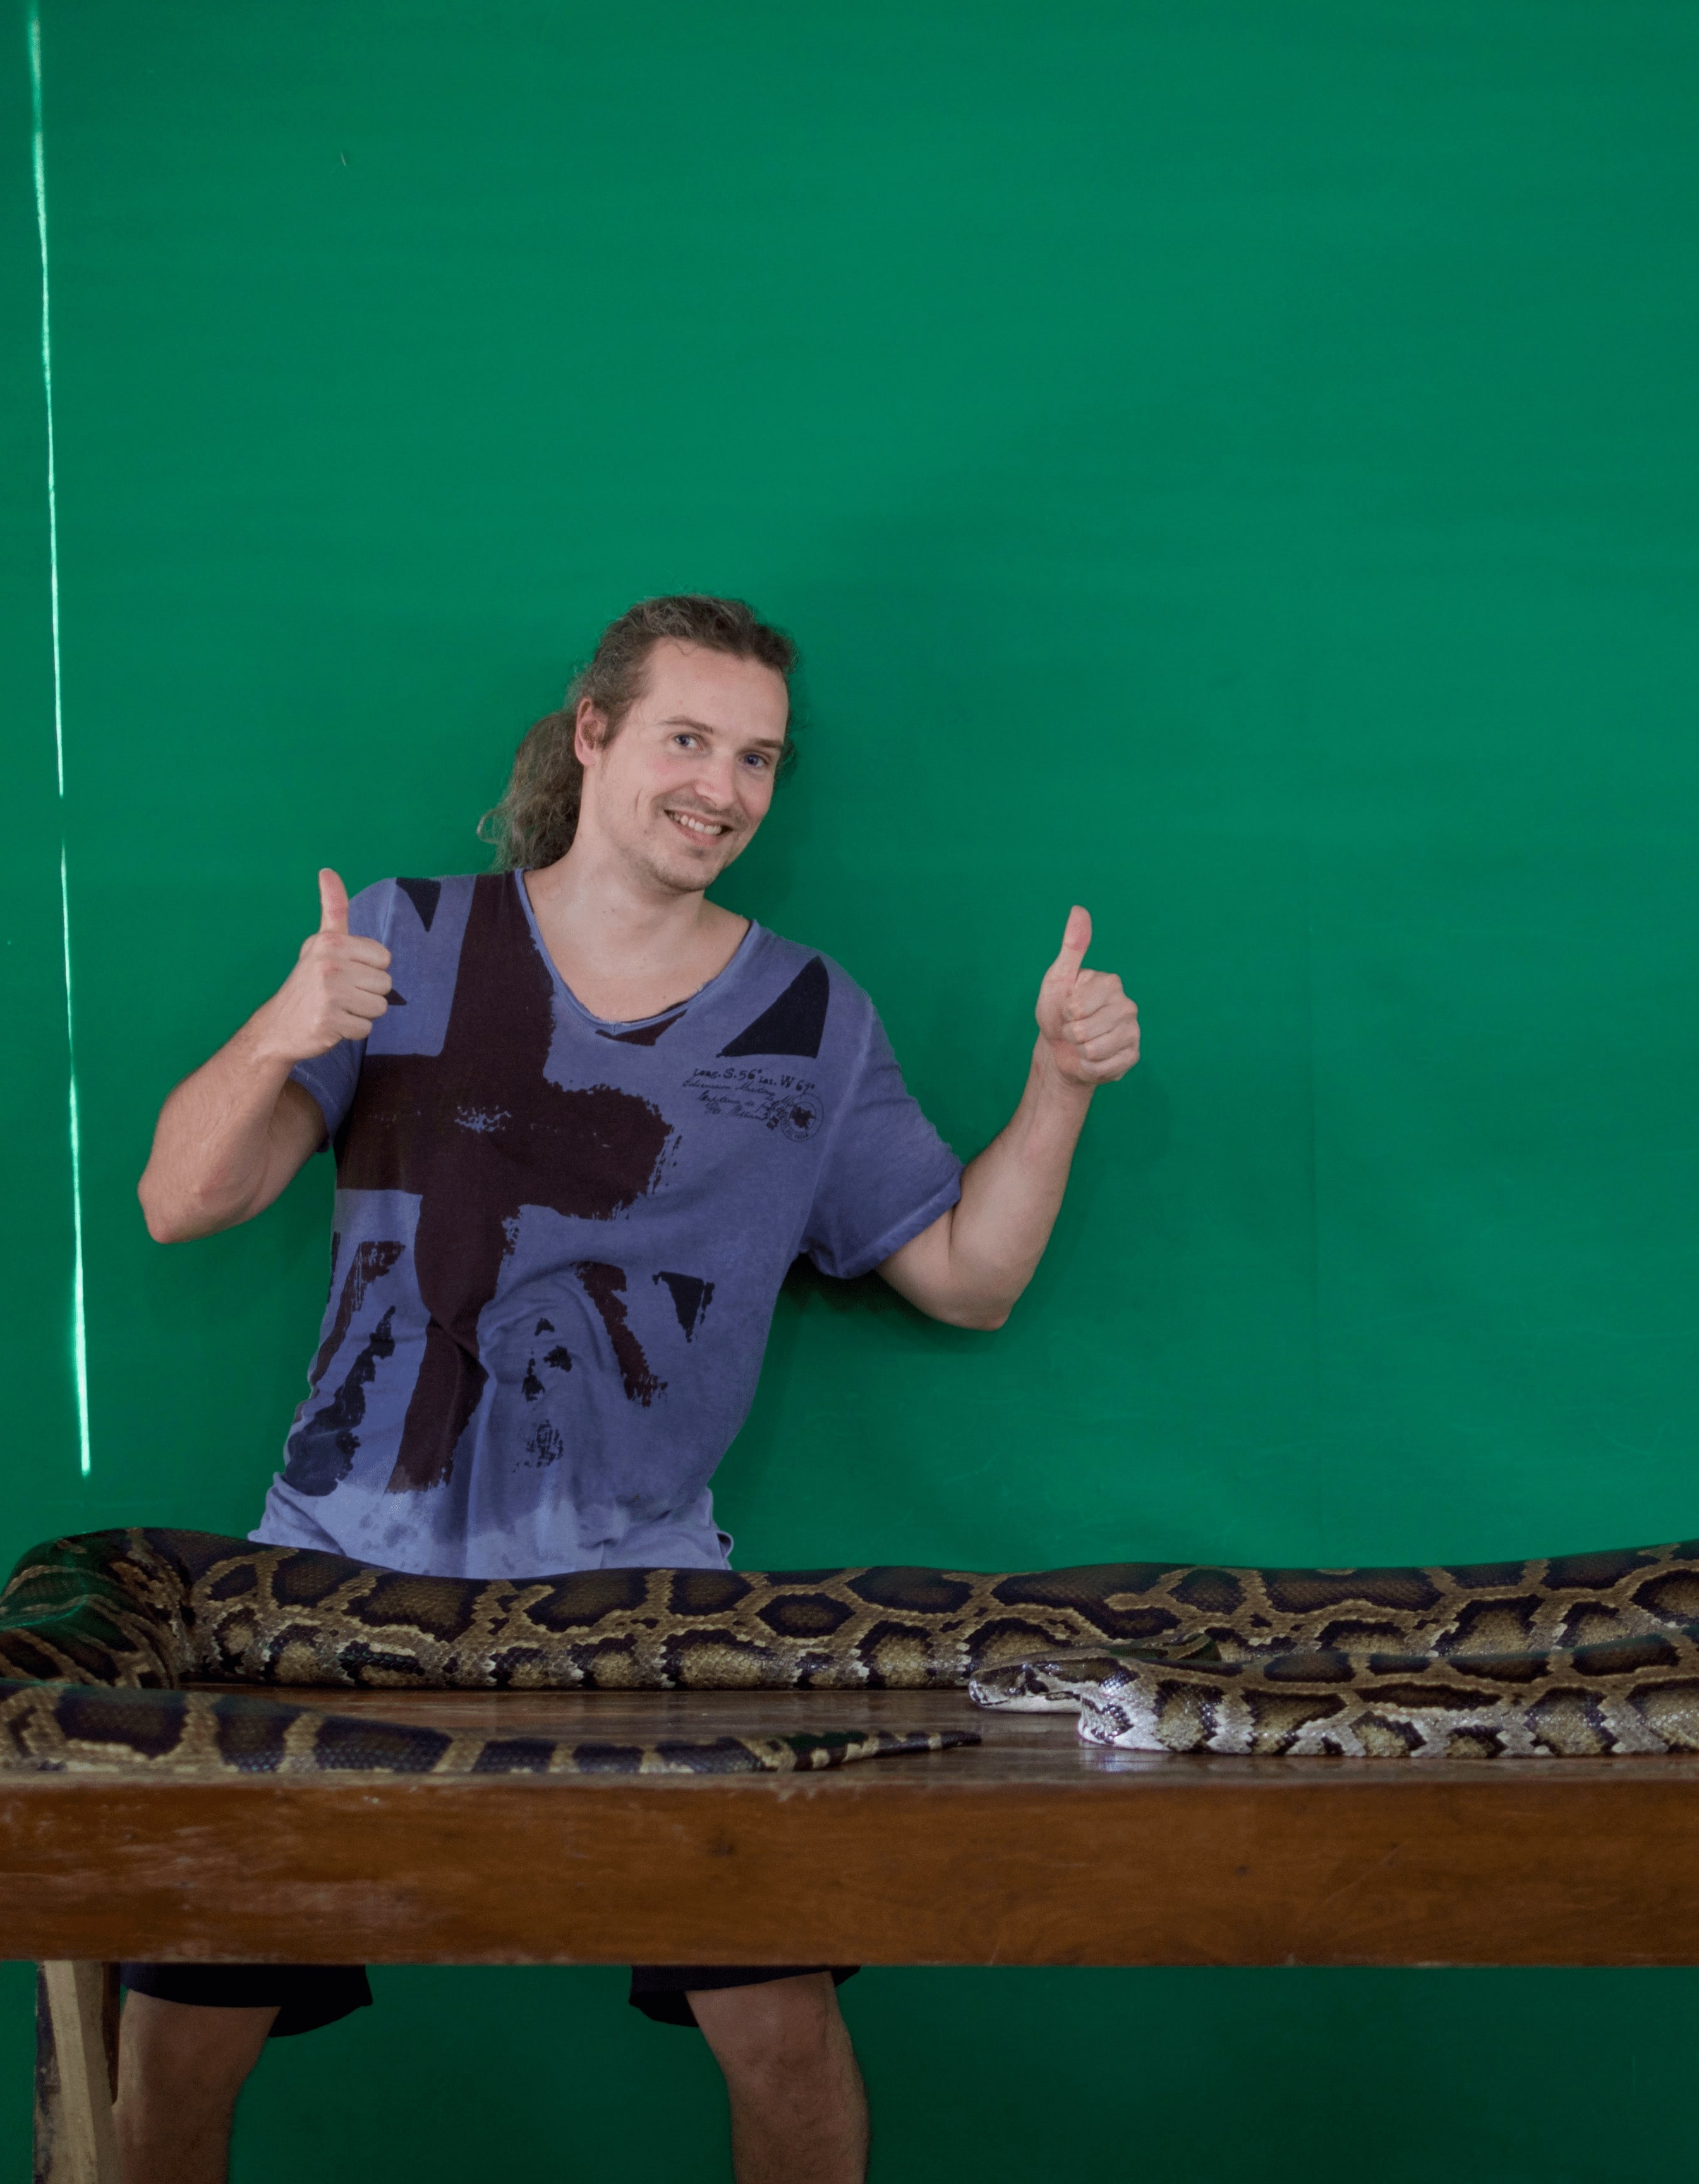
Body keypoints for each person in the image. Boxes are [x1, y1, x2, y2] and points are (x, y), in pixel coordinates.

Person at [123, 595, 1141, 2184]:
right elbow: (180, 1200)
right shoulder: (406, 941)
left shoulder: (815, 1019)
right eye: (687, 738)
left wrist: (1060, 1089)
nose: (721, 788)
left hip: (644, 1608)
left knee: (785, 2039)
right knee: (174, 2050)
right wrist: (285, 1023)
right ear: (591, 736)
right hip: (331, 1581)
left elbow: (969, 1279)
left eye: (757, 760)